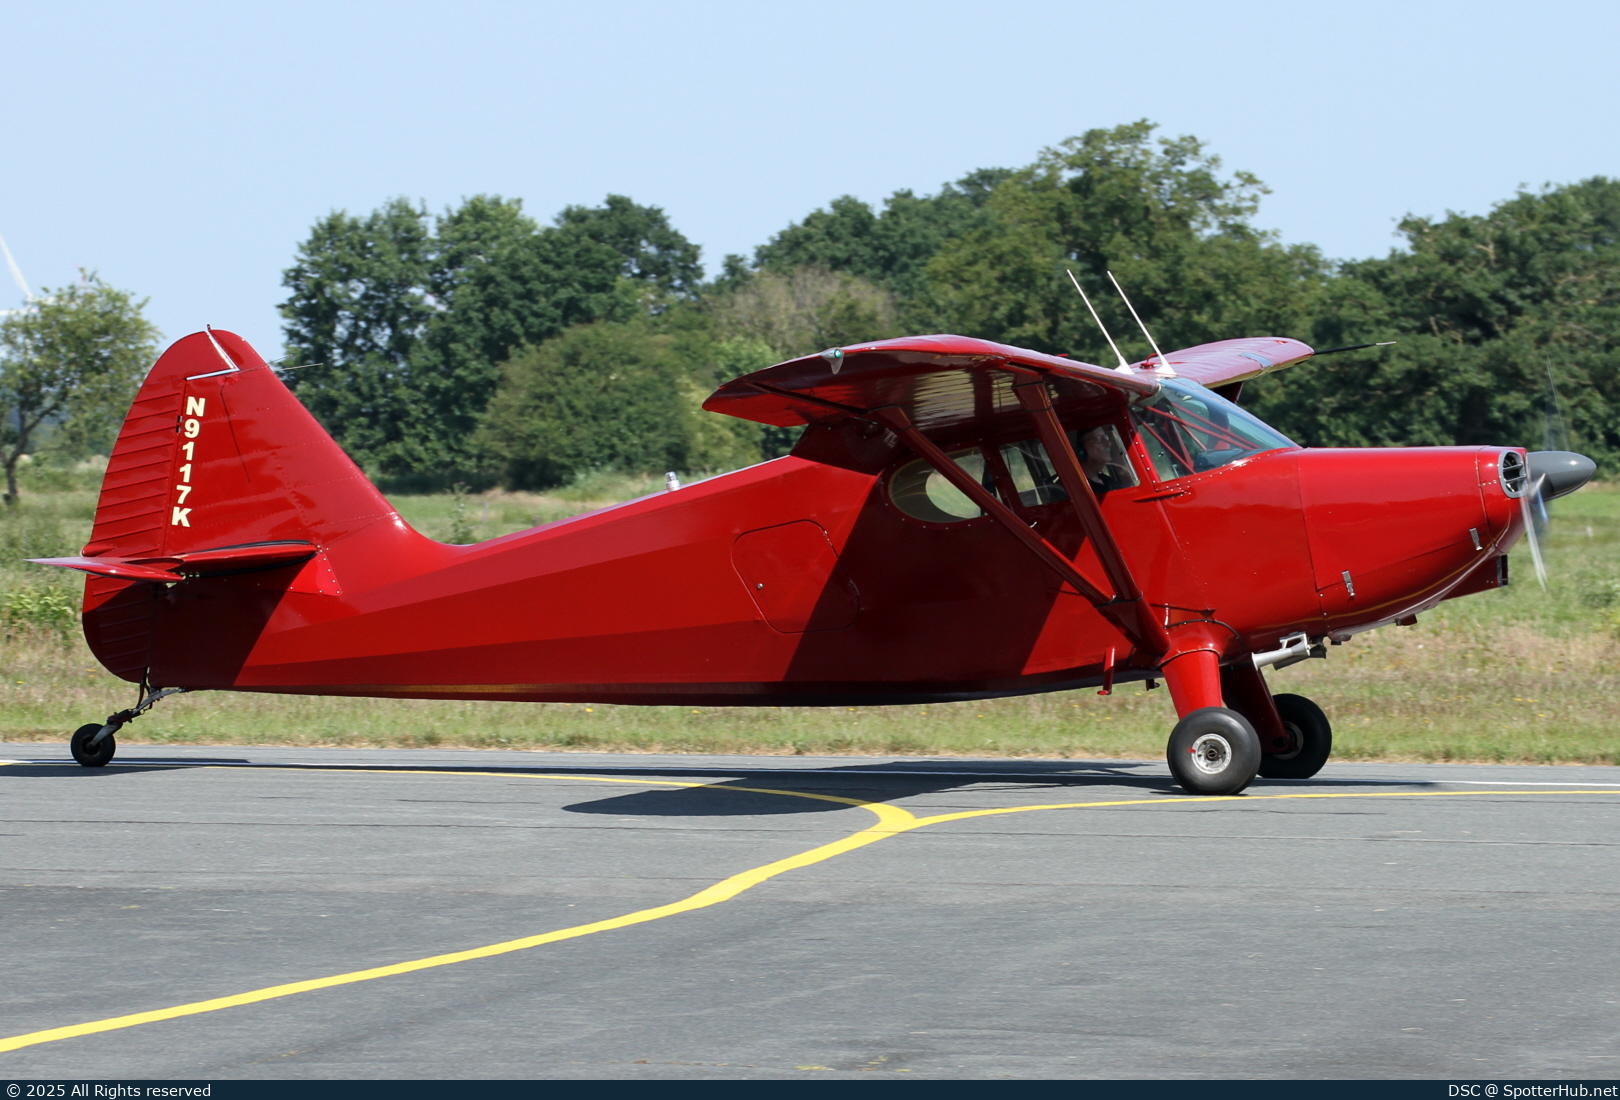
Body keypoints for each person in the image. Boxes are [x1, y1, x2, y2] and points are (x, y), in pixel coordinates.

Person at [1079, 425, 1132, 495]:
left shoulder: (1108, 481)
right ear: (1082, 449)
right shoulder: (1077, 487)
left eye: (1105, 438)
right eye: (1099, 439)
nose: (1108, 444)